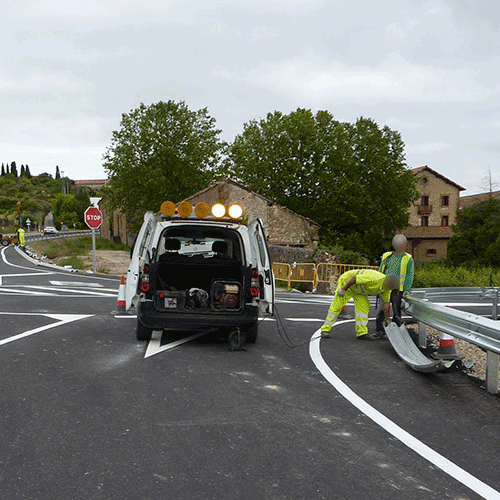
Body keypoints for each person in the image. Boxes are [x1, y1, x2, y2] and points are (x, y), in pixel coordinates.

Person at [320, 269, 400, 340]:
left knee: (363, 309)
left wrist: (387, 319)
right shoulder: (374, 278)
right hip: (347, 284)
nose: (391, 289)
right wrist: (343, 289)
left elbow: (386, 304)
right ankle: (325, 329)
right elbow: (354, 278)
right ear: (387, 282)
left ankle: (362, 333)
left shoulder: (387, 289)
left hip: (360, 291)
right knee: (337, 306)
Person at [375, 234, 415, 336]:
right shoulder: (386, 256)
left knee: (396, 310)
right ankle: (380, 330)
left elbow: (410, 275)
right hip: (385, 287)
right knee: (382, 309)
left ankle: (396, 330)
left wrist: (407, 289)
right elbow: (380, 271)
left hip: (398, 289)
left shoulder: (408, 258)